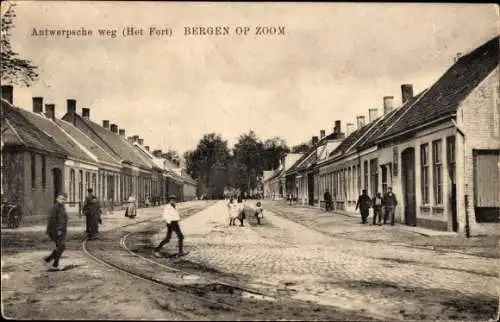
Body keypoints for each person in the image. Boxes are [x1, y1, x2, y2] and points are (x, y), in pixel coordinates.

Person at [44, 192, 68, 270]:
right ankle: (54, 262)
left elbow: (63, 219)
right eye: (61, 199)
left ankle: (51, 260)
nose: (63, 200)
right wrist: (58, 230)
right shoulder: (55, 208)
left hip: (61, 230)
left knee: (60, 247)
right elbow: (52, 219)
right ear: (57, 199)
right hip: (57, 231)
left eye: (64, 199)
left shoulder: (62, 207)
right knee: (61, 246)